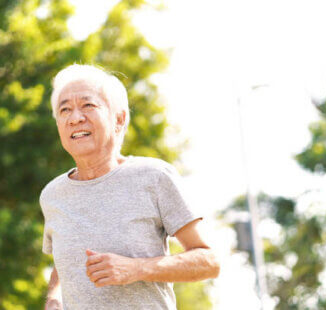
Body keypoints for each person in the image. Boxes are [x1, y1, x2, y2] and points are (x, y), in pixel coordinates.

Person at [40, 64, 220, 310]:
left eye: (88, 105)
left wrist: (137, 269)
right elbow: (65, 264)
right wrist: (53, 298)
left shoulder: (154, 177)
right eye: (65, 109)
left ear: (119, 118)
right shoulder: (52, 196)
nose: (75, 118)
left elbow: (209, 261)